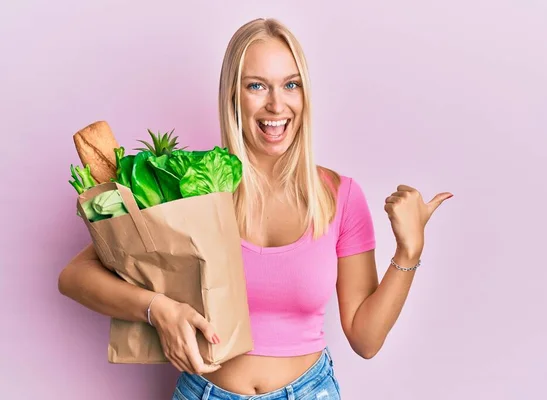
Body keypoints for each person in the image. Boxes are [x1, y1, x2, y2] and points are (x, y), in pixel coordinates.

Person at [58, 18, 453, 400]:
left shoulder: (340, 196)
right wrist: (156, 309)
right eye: (257, 86)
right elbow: (75, 275)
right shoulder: (190, 183)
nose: (276, 104)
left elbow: (365, 340)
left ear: (305, 95)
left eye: (290, 85)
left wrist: (408, 251)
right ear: (233, 94)